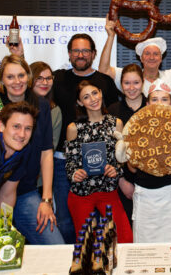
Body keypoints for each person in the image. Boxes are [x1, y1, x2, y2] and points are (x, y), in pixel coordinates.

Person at [0, 55, 63, 244]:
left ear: (28, 77)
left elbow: (46, 153)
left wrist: (46, 200)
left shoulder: (41, 105)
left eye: (21, 75)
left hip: (24, 192)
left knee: (55, 244)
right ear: (1, 81)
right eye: (10, 77)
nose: (17, 82)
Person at [51, 33, 120, 243]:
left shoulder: (105, 81)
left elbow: (115, 114)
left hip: (102, 164)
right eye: (76, 51)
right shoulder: (58, 78)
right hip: (65, 162)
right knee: (66, 219)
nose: (81, 55)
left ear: (93, 54)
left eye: (85, 51)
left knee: (103, 223)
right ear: (70, 54)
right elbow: (33, 88)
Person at [65, 81, 133, 243]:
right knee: (87, 243)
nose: (93, 99)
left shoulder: (116, 124)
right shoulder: (74, 128)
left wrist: (116, 169)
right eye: (86, 97)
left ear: (101, 93)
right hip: (82, 193)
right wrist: (75, 173)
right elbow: (70, 162)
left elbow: (122, 158)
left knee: (125, 237)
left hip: (108, 191)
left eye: (95, 93)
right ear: (80, 103)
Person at [129, 82, 171, 243]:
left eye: (164, 99)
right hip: (145, 195)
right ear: (147, 104)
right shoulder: (136, 127)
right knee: (145, 250)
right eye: (155, 99)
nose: (160, 104)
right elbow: (132, 169)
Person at [100, 12, 171, 98]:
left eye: (156, 54)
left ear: (161, 58)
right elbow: (104, 70)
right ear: (141, 58)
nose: (152, 57)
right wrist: (111, 37)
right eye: (147, 54)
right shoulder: (130, 77)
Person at [107, 63, 147, 225]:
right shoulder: (112, 110)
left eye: (136, 82)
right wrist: (121, 181)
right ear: (121, 84)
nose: (131, 88)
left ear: (143, 83)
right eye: (127, 83)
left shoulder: (152, 108)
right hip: (123, 183)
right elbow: (108, 149)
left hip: (150, 182)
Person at [30, 61, 62, 149]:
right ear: (30, 79)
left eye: (48, 78)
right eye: (39, 78)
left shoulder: (55, 110)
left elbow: (51, 147)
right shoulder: (19, 105)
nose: (45, 83)